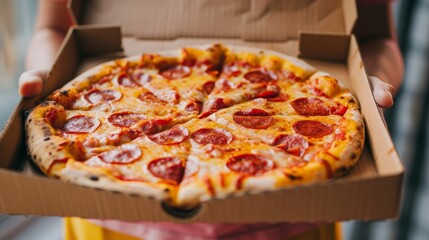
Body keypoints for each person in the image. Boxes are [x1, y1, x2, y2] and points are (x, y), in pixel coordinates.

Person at [18, 0, 403, 239]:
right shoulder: (68, 125)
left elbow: (376, 38)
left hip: (285, 223)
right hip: (111, 224)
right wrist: (44, 74)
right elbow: (52, 28)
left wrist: (373, 84)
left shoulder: (328, 119)